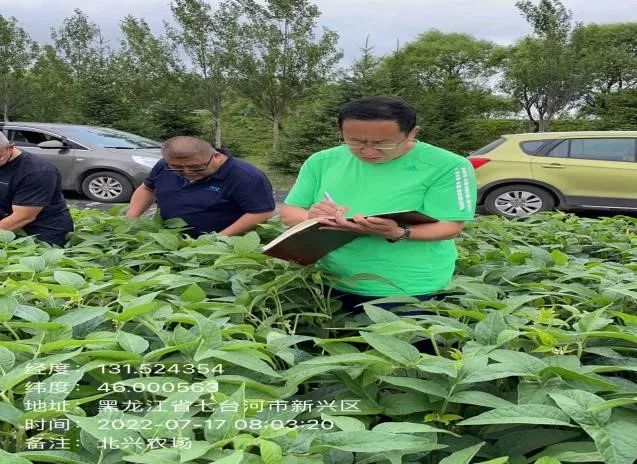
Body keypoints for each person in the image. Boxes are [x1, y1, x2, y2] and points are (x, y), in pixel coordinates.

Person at [279, 96, 477, 314]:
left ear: (412, 133)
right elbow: (290, 212)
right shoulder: (322, 161)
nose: (368, 151)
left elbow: (451, 227)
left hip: (409, 286)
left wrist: (399, 232)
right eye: (355, 142)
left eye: (382, 143)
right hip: (332, 278)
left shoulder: (448, 166)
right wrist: (312, 217)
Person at [126, 136, 276, 236]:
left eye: (196, 167)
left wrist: (219, 239)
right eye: (177, 168)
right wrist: (130, 220)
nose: (187, 172)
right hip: (168, 238)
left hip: (220, 246)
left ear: (216, 156)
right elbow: (147, 188)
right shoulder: (164, 166)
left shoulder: (245, 176)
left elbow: (262, 212)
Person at [0, 132, 74, 246]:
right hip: (9, 227)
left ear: (11, 148)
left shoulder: (37, 171)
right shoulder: (3, 159)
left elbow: (23, 217)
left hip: (43, 234)